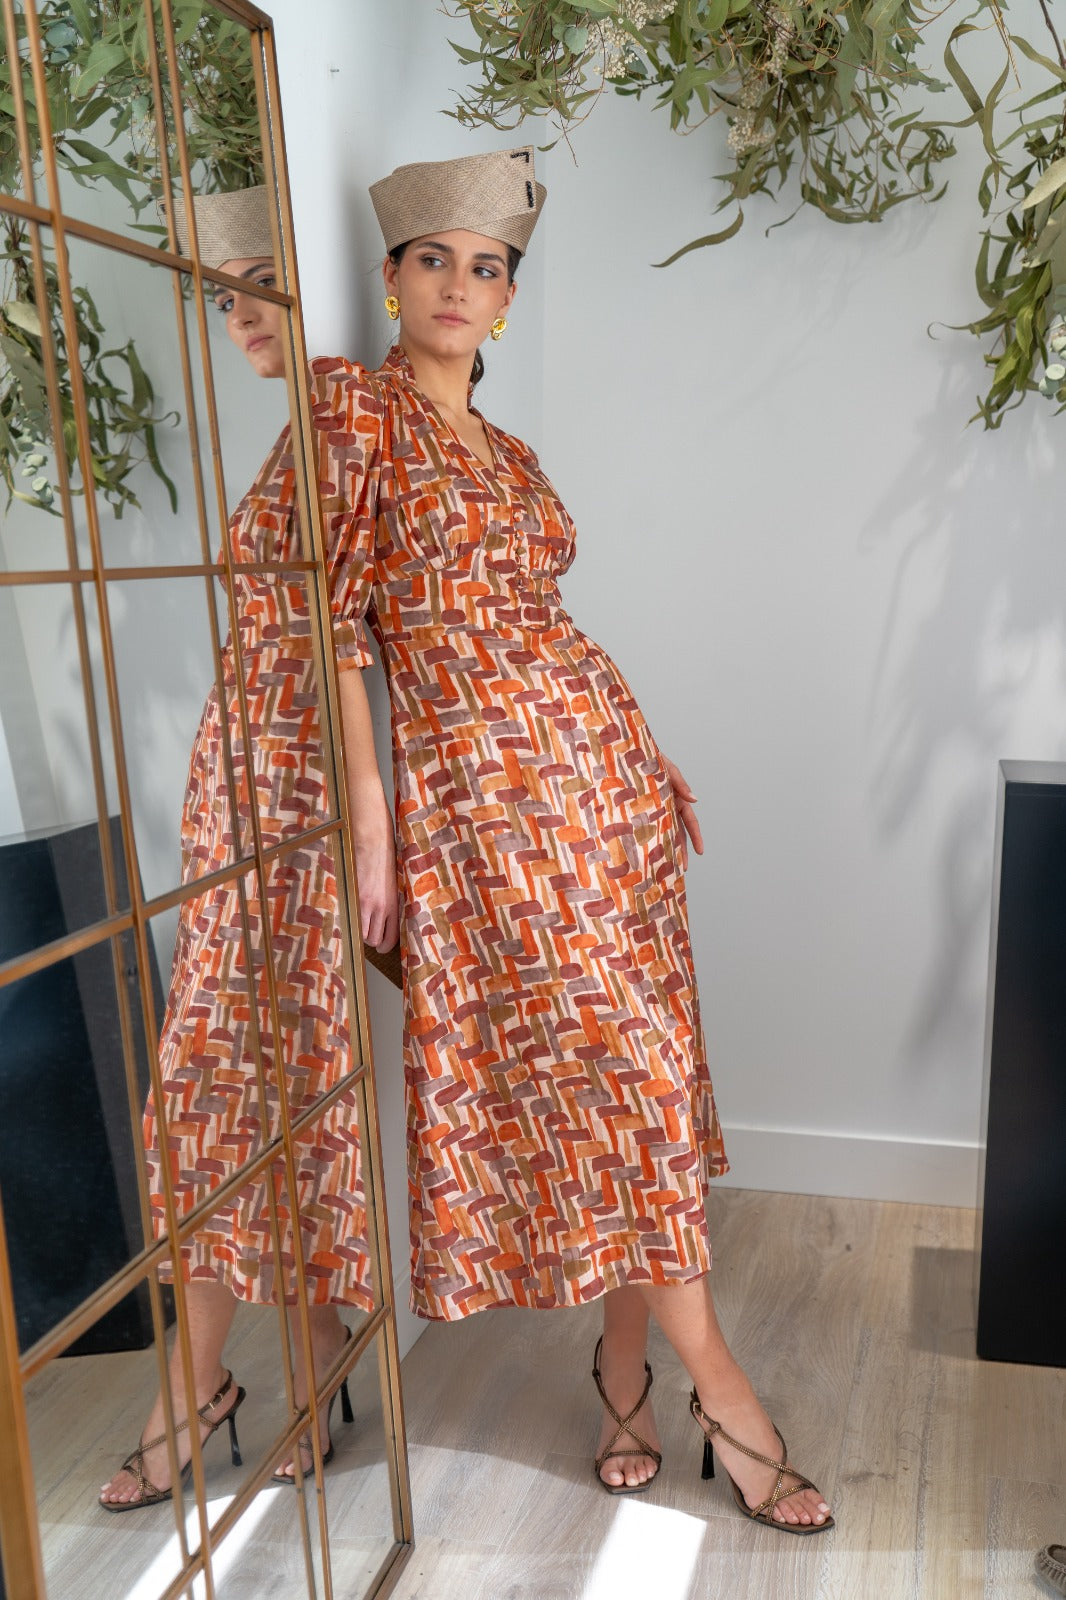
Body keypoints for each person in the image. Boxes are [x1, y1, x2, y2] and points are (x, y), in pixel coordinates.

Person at [319, 145, 832, 1531]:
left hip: (599, 792)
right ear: (390, 276)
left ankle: (622, 1372)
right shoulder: (354, 417)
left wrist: (644, 756)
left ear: (506, 300)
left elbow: (555, 630)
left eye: (486, 269)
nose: (459, 284)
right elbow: (341, 629)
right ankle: (721, 1389)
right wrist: (372, 825)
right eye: (434, 260)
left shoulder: (515, 454)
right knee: (612, 1080)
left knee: (639, 1076)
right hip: (485, 809)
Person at [100, 185, 374, 1509]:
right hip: (245, 788)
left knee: (255, 1075)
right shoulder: (305, 428)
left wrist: (369, 818)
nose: (239, 312)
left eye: (260, 279)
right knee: (239, 1079)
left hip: (301, 795)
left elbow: (365, 632)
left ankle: (214, 1381)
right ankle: (275, 1361)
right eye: (221, 294)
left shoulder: (346, 418)